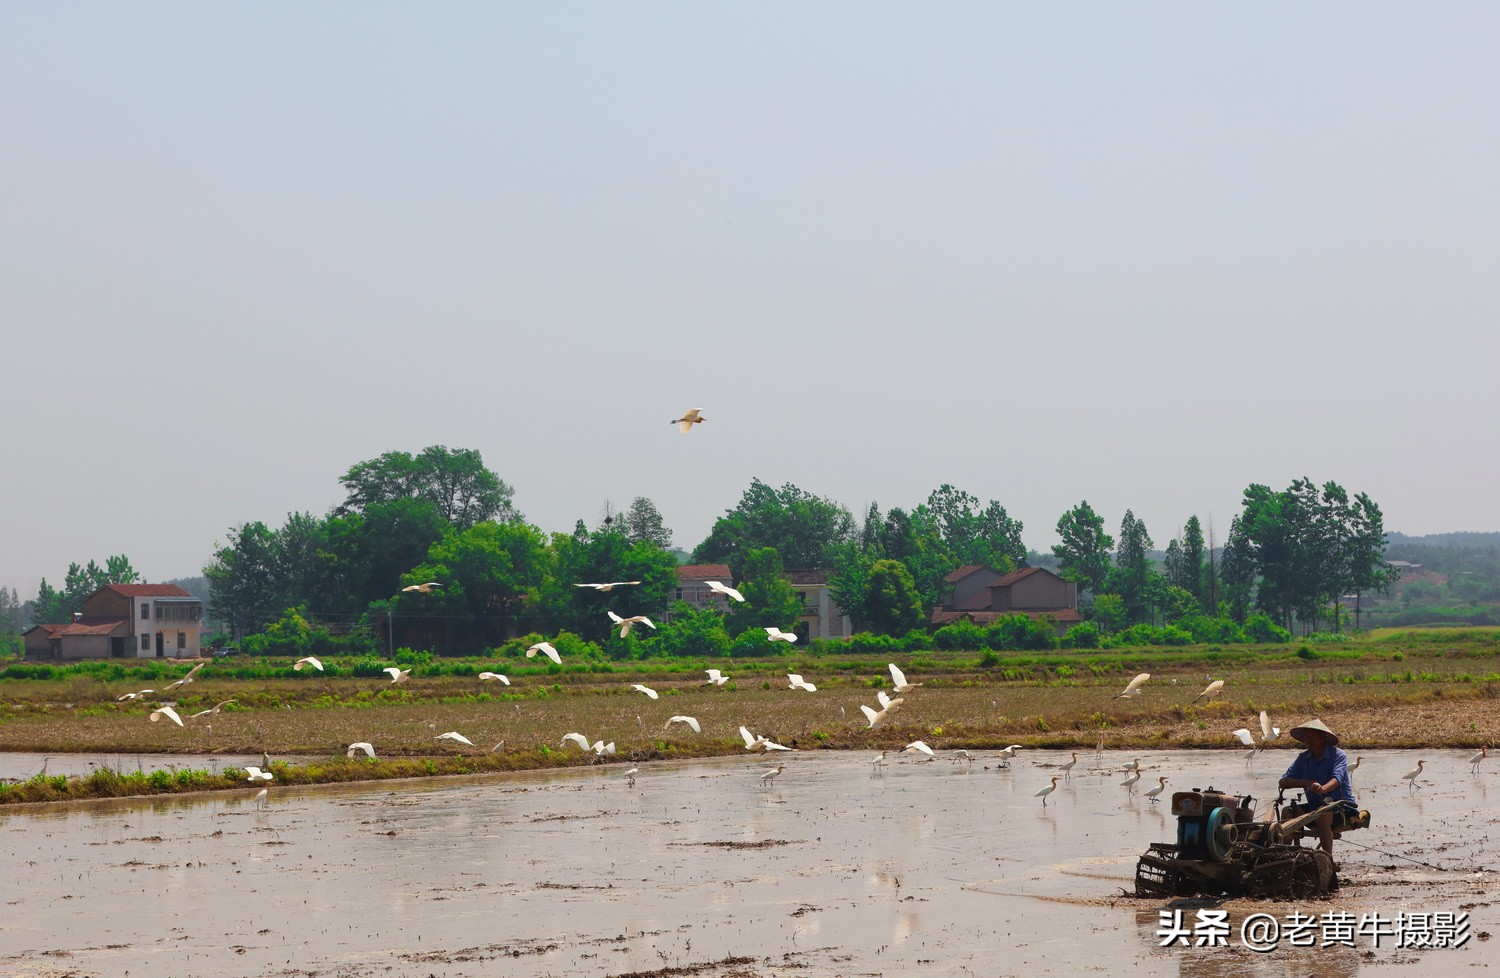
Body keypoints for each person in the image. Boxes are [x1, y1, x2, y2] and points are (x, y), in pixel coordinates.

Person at [1278, 718, 1358, 856]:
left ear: (1322, 738)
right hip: (1316, 807)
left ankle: (1328, 859)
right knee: (1288, 811)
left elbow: (1337, 780)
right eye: (1306, 737)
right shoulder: (1303, 758)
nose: (1309, 740)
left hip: (1342, 807)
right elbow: (1283, 782)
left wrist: (1322, 789)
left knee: (1321, 814)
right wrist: (1306, 782)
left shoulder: (1338, 755)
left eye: (1312, 736)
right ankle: (1283, 855)